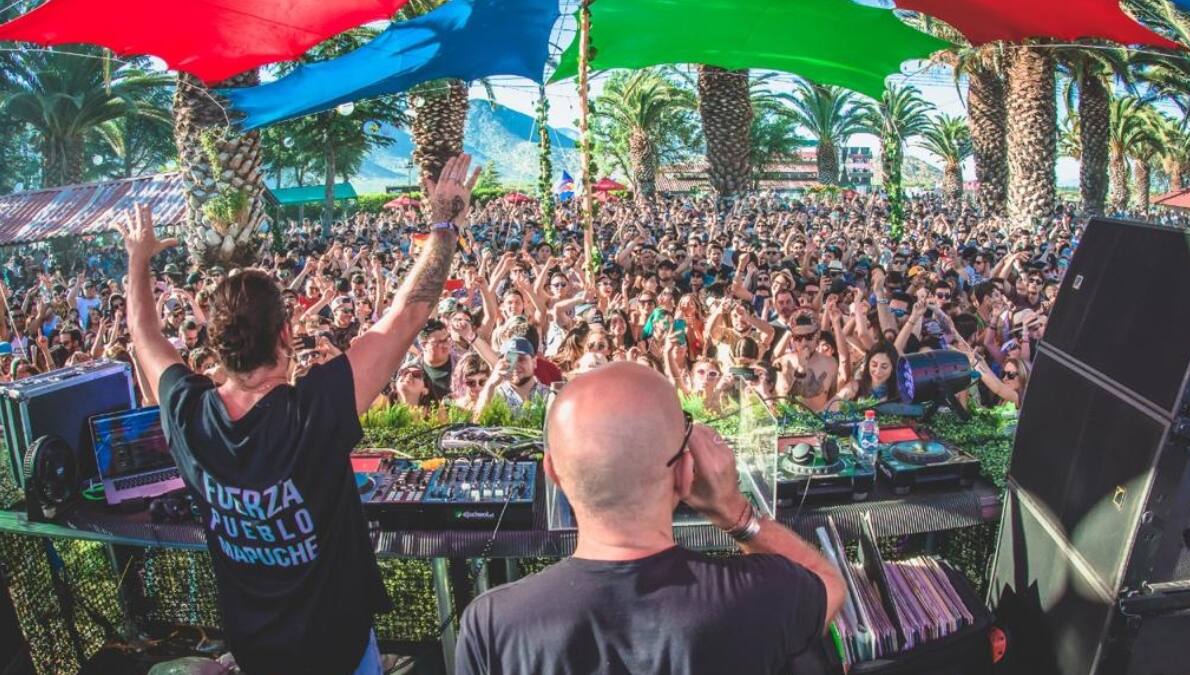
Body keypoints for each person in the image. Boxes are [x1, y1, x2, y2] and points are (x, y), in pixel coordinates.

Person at [123, 154, 481, 675]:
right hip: (338, 652)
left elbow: (144, 335)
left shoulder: (186, 411)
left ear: (213, 345)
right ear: (286, 334)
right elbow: (409, 314)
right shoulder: (313, 411)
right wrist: (445, 223)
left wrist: (138, 259)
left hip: (255, 653)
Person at [455, 362, 846, 674]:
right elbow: (830, 585)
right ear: (685, 473)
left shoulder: (492, 625)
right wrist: (733, 510)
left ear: (553, 472)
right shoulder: (761, 594)